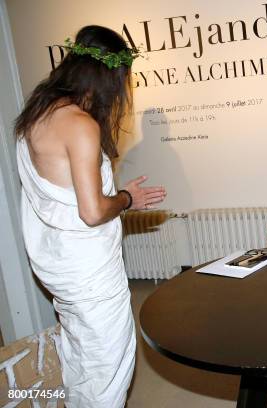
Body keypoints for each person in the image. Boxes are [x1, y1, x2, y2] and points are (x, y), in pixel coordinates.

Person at [14, 25, 166, 407]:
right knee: (108, 362)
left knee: (81, 353)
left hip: (58, 264)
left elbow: (62, 191)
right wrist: (127, 198)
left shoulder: (38, 112)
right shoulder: (81, 125)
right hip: (87, 270)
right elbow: (93, 211)